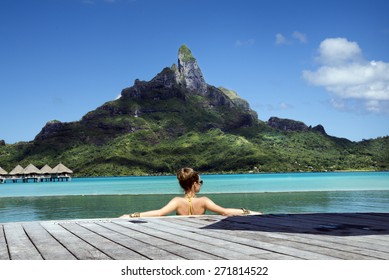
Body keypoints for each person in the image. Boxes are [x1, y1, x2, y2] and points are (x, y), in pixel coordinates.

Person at [119, 167, 261, 218]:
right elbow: (224, 212)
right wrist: (249, 212)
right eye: (200, 182)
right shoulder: (204, 201)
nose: (201, 185)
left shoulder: (177, 201)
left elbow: (159, 213)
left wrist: (132, 215)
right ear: (194, 184)